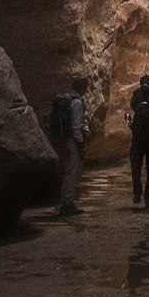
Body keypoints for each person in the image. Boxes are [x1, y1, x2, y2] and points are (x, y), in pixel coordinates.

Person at [50, 74, 89, 216]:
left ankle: (66, 201)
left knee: (68, 171)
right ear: (83, 88)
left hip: (66, 140)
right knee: (73, 172)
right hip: (73, 141)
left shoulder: (69, 100)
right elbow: (77, 125)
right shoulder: (77, 102)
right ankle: (68, 203)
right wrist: (80, 144)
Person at [128, 81, 149, 208]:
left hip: (138, 138)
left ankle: (137, 191)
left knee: (136, 166)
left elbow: (132, 106)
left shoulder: (137, 94)